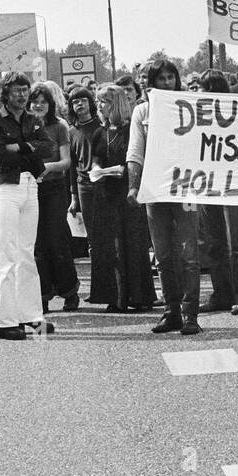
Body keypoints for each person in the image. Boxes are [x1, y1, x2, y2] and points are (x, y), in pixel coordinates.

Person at [128, 60, 202, 335]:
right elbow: (135, 152)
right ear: (152, 82)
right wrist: (133, 185)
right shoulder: (142, 112)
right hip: (155, 189)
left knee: (189, 253)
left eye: (172, 77)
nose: (168, 82)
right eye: (162, 78)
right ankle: (171, 312)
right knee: (162, 254)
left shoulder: (191, 106)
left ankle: (190, 313)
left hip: (186, 187)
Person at [0, 72, 52, 340]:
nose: (22, 95)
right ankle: (3, 321)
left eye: (25, 90)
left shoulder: (33, 120)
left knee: (26, 253)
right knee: (6, 253)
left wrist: (19, 147)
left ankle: (31, 317)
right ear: (6, 93)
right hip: (6, 187)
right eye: (16, 90)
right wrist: (29, 149)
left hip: (29, 186)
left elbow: (47, 147)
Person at [194, 69, 238, 314]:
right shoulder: (197, 116)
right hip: (207, 183)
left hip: (234, 183)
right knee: (213, 243)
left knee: (237, 243)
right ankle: (222, 293)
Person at [90, 82, 155, 312]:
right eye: (98, 102)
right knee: (111, 246)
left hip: (127, 191)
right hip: (106, 193)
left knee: (133, 244)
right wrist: (97, 169)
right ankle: (116, 297)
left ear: (115, 104)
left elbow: (136, 156)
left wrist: (123, 171)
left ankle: (139, 296)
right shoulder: (100, 132)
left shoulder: (131, 129)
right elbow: (96, 159)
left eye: (104, 102)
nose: (99, 106)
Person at [27, 82, 79, 312]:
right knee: (38, 245)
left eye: (43, 102)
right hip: (31, 190)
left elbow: (66, 162)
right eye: (35, 102)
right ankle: (43, 294)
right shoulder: (25, 127)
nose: (39, 106)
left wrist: (46, 167)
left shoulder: (59, 127)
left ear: (50, 104)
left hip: (55, 189)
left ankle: (69, 291)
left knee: (57, 240)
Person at [67, 84, 100, 256]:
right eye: (75, 102)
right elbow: (72, 165)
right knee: (92, 234)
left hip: (103, 182)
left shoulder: (101, 125)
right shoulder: (71, 132)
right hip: (83, 185)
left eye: (83, 100)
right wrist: (74, 198)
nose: (80, 104)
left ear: (90, 103)